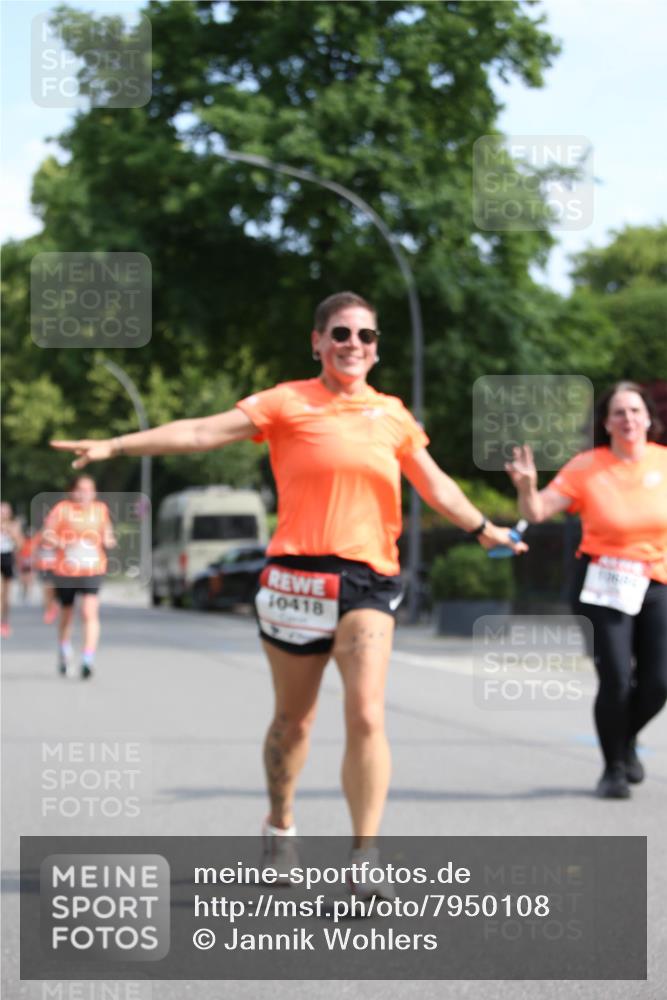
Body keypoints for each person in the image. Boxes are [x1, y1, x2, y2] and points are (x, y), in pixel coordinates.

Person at [51, 290, 525, 887]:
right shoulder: (285, 402)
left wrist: (483, 528)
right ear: (319, 342)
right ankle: (279, 825)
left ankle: (363, 859)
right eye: (342, 334)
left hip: (367, 579)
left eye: (366, 336)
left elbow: (436, 485)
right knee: (294, 722)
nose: (354, 344)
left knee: (366, 714)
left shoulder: (394, 415)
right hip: (296, 577)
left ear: (377, 350)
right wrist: (116, 445)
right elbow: (200, 433)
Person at [506, 381, 667, 799]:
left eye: (635, 411)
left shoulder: (663, 463)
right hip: (603, 582)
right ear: (606, 422)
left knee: (658, 681)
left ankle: (625, 738)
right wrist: (525, 487)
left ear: (649, 418)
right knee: (615, 678)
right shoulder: (585, 467)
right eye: (618, 412)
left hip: (658, 582)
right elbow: (537, 510)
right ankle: (613, 767)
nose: (628, 419)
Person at [41, 475, 116, 679]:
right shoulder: (62, 509)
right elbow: (47, 534)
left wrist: (109, 540)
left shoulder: (100, 509)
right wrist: (61, 543)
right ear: (72, 491)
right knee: (67, 614)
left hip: (93, 568)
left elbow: (107, 533)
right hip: (66, 570)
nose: (85, 494)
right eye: (80, 489)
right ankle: (65, 651)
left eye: (89, 490)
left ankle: (87, 659)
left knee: (89, 612)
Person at [1, 502, 24, 638]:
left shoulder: (14, 525)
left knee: (6, 595)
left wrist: (12, 534)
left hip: (7, 559)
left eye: (4, 512)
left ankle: (4, 622)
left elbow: (20, 545)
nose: (2, 514)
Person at [33, 528, 59, 624]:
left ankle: (53, 605)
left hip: (57, 566)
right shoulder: (40, 535)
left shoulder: (59, 534)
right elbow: (34, 549)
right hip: (43, 566)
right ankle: (48, 610)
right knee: (46, 588)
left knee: (55, 589)